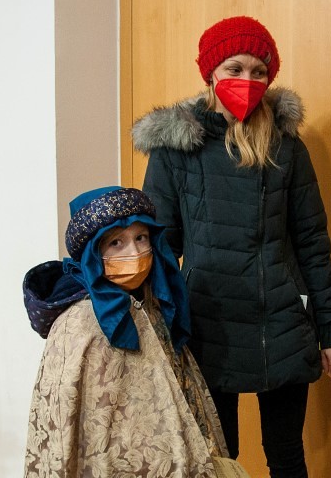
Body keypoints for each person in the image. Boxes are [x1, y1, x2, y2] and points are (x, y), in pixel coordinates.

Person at [132, 16, 331, 478]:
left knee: (286, 455)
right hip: (209, 326)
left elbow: (312, 242)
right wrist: (154, 327)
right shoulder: (175, 150)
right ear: (211, 73)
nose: (247, 80)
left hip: (282, 322)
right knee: (220, 458)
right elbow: (161, 248)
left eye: (258, 71)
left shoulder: (287, 147)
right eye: (234, 68)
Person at [23, 186, 229, 477]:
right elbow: (66, 422)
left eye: (141, 238)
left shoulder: (154, 306)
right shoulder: (77, 324)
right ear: (93, 252)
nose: (134, 252)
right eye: (116, 242)